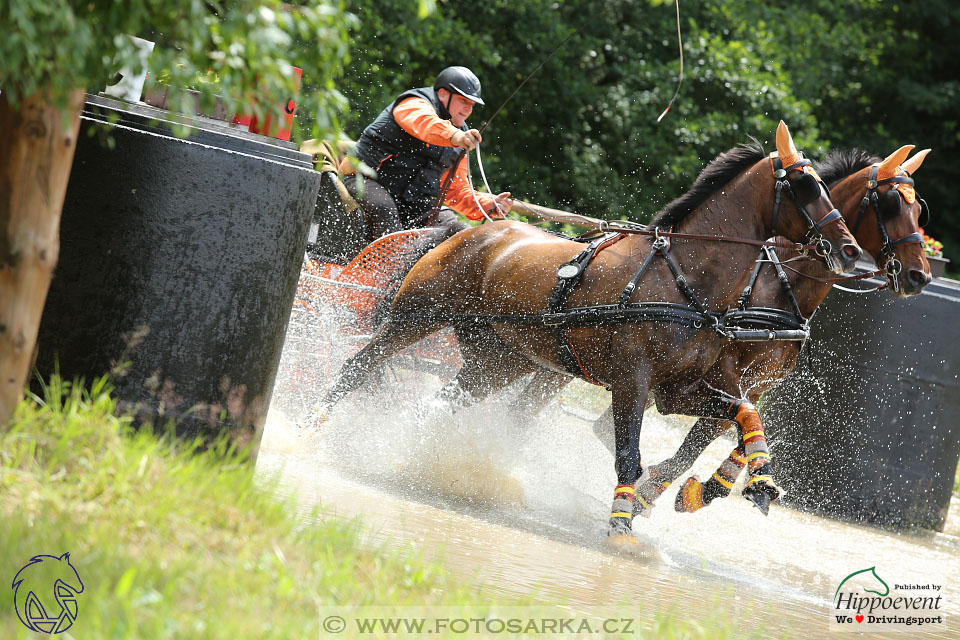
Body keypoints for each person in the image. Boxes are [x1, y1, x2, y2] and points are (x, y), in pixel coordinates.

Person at [339, 66, 514, 244]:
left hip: (412, 200)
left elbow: (455, 190)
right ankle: (385, 272)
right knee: (386, 213)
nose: (468, 109)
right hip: (364, 180)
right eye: (463, 101)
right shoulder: (414, 104)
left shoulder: (460, 136)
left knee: (459, 234)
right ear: (444, 94)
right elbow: (425, 124)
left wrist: (489, 205)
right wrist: (455, 136)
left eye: (472, 105)